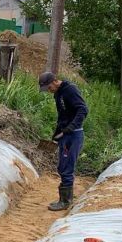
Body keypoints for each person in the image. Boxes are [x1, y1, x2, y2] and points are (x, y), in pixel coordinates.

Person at [38, 71, 89, 211]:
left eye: (49, 87)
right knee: (61, 167)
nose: (49, 91)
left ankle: (65, 202)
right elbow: (63, 115)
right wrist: (57, 132)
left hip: (73, 135)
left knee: (67, 168)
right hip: (65, 134)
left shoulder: (70, 90)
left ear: (55, 81)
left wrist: (70, 128)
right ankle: (64, 198)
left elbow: (83, 109)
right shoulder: (58, 93)